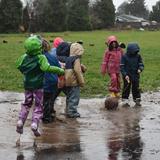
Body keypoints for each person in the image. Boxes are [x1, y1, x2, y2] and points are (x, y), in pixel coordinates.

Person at [16, 36, 64, 136]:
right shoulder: (41, 57)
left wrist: (26, 72)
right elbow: (47, 68)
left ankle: (20, 121)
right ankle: (34, 124)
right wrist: (59, 70)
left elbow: (19, 65)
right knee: (38, 105)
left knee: (27, 103)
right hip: (38, 86)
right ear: (39, 47)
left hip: (27, 85)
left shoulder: (24, 57)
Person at [42, 39, 62, 123]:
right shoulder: (53, 57)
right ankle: (50, 113)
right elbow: (59, 68)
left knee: (45, 100)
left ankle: (46, 119)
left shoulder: (38, 58)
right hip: (53, 81)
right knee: (50, 99)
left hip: (44, 81)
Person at [65, 43, 85, 118]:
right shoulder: (76, 59)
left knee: (69, 96)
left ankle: (68, 110)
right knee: (74, 97)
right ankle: (72, 112)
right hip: (74, 82)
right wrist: (81, 82)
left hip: (67, 81)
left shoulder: (68, 58)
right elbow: (77, 71)